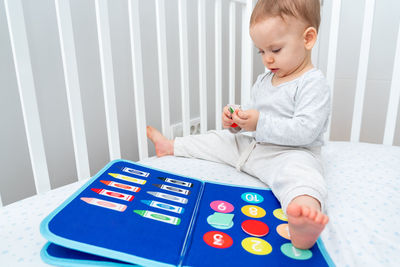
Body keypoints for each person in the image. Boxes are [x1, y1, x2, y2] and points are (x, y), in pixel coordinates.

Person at [147, 0, 330, 250]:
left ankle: (303, 219)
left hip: (292, 153)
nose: (267, 59)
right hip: (256, 147)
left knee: (302, 176)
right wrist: (237, 121)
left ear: (307, 39)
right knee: (220, 139)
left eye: (275, 50)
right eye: (261, 51)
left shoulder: (312, 83)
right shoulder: (264, 80)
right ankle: (170, 146)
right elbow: (252, 120)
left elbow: (305, 131)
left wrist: (259, 122)